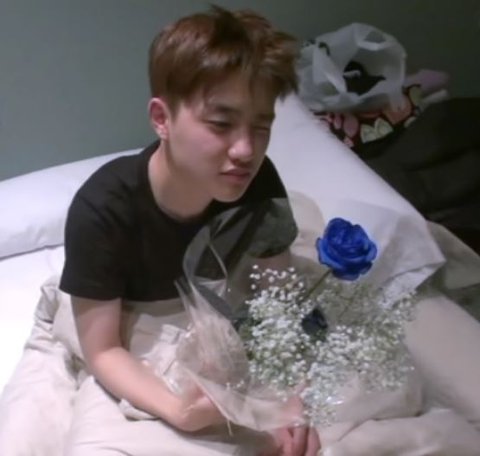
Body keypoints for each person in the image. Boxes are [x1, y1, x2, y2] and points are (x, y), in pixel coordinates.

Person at [59, 5, 320, 456]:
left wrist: (291, 399)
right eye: (221, 124)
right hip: (136, 328)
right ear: (162, 119)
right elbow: (102, 351)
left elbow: (279, 305)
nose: (245, 150)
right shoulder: (103, 209)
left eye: (261, 128)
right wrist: (177, 410)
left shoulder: (259, 184)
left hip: (223, 316)